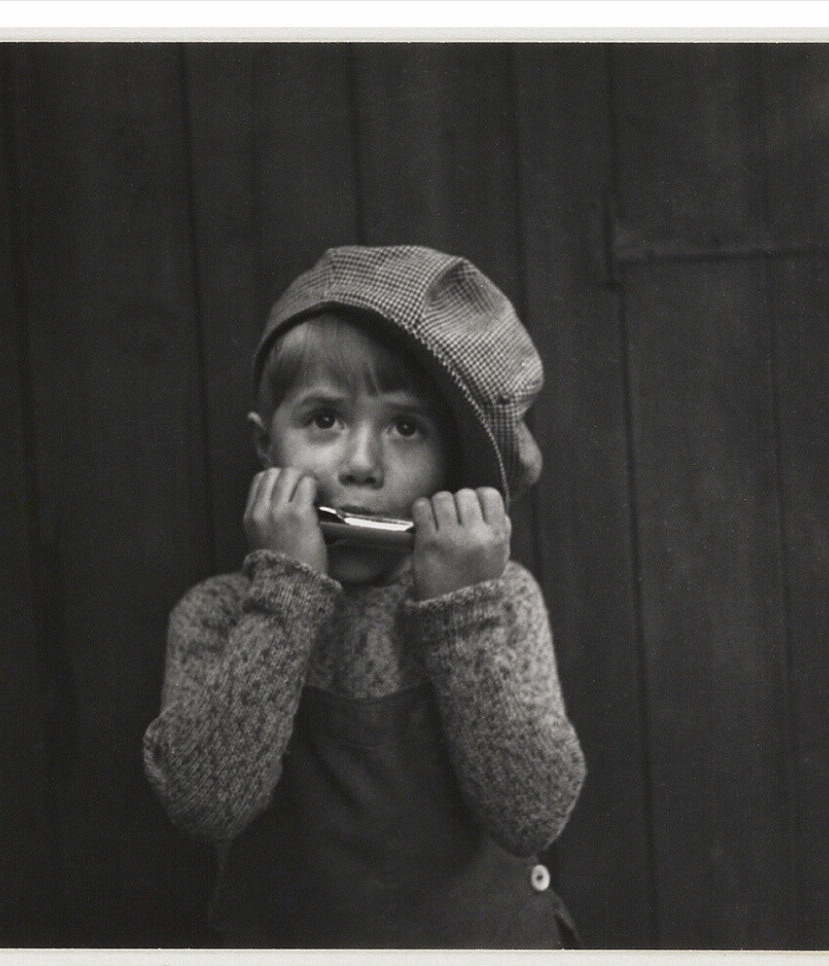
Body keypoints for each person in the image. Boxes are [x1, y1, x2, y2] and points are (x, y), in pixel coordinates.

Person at [143, 245, 586, 948]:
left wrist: (460, 615)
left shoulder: (498, 600)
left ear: (453, 467)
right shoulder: (218, 615)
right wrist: (285, 594)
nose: (360, 465)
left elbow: (531, 813)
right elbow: (205, 804)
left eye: (406, 427)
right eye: (324, 420)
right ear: (267, 450)